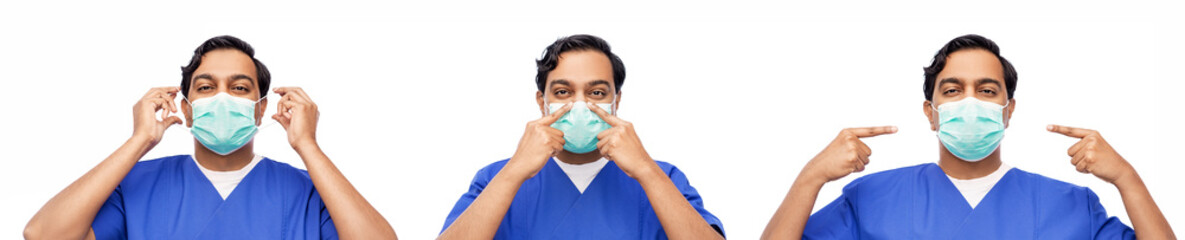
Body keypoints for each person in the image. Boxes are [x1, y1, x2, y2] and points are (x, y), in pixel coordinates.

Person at [761, 34, 1174, 239]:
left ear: (1008, 111)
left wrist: (1127, 179)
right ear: (932, 112)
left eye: (988, 90)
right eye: (954, 90)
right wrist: (810, 178)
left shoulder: (1071, 206)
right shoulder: (870, 198)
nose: (971, 102)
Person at [23, 35, 397, 240]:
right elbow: (43, 235)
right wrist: (139, 141)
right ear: (185, 109)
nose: (222, 98)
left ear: (260, 108)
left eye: (239, 87)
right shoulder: (134, 187)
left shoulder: (307, 192)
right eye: (205, 87)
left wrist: (308, 146)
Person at [437, 34, 725, 239]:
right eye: (563, 92)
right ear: (542, 101)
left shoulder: (663, 179)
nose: (579, 105)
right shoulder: (496, 179)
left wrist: (646, 171)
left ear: (616, 101)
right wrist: (514, 171)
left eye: (596, 93)